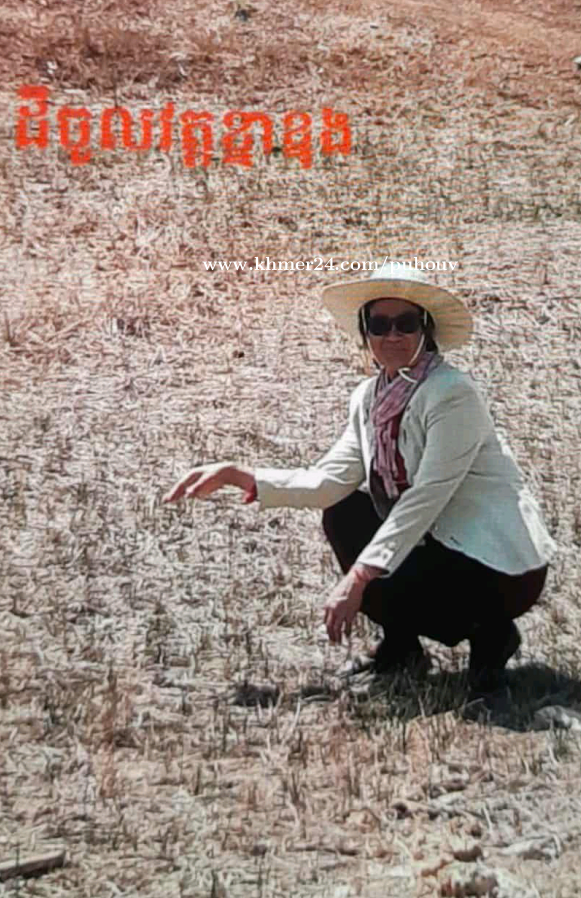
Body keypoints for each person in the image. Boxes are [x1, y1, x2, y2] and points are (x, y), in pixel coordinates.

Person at [164, 261, 557, 695]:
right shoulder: (369, 397)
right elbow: (329, 481)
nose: (393, 335)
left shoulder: (451, 393)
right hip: (437, 544)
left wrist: (359, 578)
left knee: (386, 547)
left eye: (406, 323)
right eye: (379, 324)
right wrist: (241, 476)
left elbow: (426, 497)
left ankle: (493, 637)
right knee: (346, 511)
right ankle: (402, 648)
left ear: (426, 329)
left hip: (496, 565)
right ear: (365, 333)